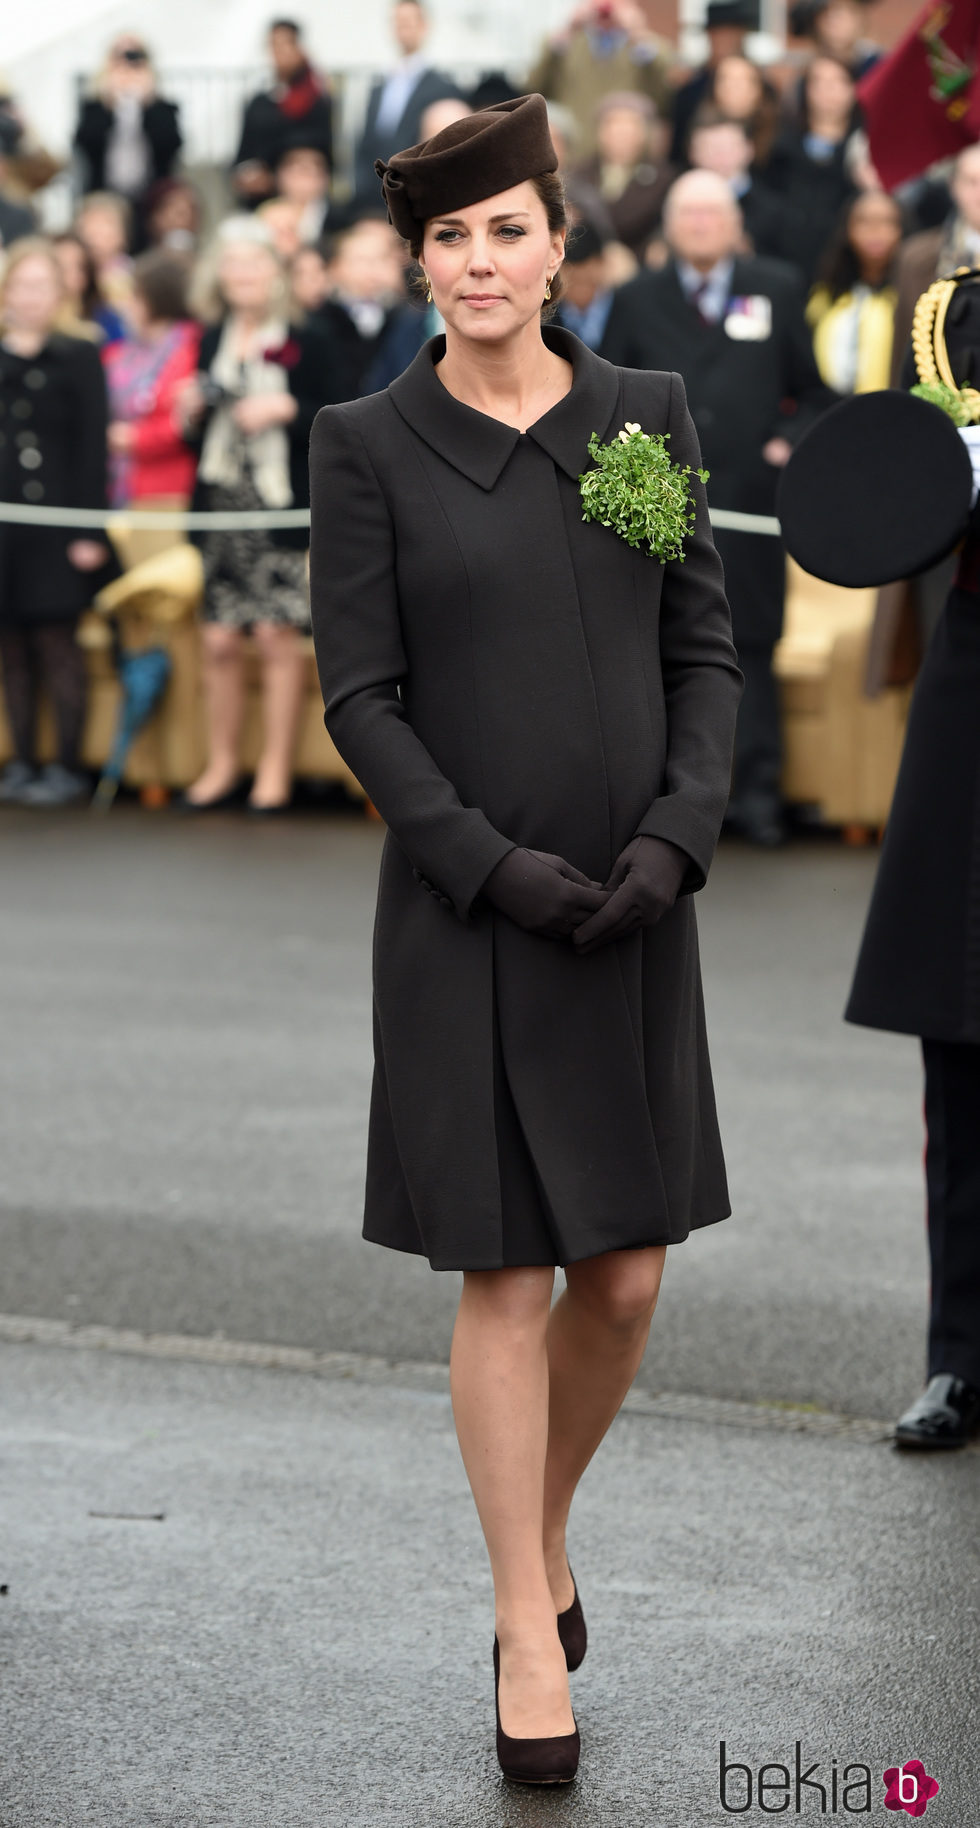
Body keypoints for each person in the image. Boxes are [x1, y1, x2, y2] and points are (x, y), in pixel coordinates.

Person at [307, 94, 742, 1785]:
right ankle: (518, 1616)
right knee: (508, 1271)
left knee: (624, 1275)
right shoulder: (364, 441)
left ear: (560, 244)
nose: (480, 262)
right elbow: (363, 700)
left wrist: (674, 839)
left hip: (636, 909)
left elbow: (702, 650)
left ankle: (542, 1531)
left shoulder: (647, 412)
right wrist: (491, 867)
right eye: (450, 237)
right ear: (421, 263)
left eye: (509, 230)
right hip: (470, 917)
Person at [776, 271, 980, 1449]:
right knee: (957, 1034)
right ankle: (959, 1354)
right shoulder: (947, 312)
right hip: (974, 672)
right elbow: (871, 478)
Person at [600, 169, 832, 845]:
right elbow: (606, 398)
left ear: (736, 223)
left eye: (713, 213)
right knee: (661, 649)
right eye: (689, 213)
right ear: (670, 226)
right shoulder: (636, 298)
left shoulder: (778, 289)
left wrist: (785, 445)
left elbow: (814, 393)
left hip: (751, 506)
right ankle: (671, 802)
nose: (701, 224)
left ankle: (758, 796)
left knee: (750, 648)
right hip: (662, 507)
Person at [177, 221, 339, 812]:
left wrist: (288, 406)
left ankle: (274, 770)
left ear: (275, 270)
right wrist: (191, 410)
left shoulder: (308, 335)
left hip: (279, 503)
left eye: (252, 263)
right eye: (231, 263)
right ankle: (221, 764)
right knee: (218, 639)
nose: (241, 274)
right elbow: (192, 437)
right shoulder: (210, 334)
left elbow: (339, 417)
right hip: (221, 503)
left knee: (275, 636)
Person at [0, 239, 111, 807]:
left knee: (57, 642)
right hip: (7, 529)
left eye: (42, 286)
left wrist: (88, 531)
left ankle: (67, 766)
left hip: (61, 525)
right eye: (21, 285)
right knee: (12, 648)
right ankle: (21, 761)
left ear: (59, 294)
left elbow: (93, 450)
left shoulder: (79, 354)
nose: (30, 296)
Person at [102, 251, 199, 525]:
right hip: (119, 483)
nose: (125, 305)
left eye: (134, 296)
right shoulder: (119, 352)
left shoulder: (190, 349)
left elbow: (185, 422)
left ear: (155, 298)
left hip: (165, 489)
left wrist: (135, 439)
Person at [528, 0, 674, 160]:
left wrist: (639, 34)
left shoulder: (645, 46)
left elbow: (665, 94)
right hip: (575, 151)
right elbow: (534, 87)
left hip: (628, 154)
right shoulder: (566, 42)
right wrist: (568, 30)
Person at [72, 36, 182, 246]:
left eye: (136, 57)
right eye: (119, 57)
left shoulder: (163, 108)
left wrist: (148, 104)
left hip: (151, 199)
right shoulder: (95, 108)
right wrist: (110, 103)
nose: (128, 65)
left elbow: (170, 146)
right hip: (105, 195)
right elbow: (86, 145)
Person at [764, 54, 864, 285]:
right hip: (789, 265)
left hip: (847, 272)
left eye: (838, 81)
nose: (828, 91)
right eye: (818, 82)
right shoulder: (779, 150)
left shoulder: (866, 151)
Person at [890, 143, 980, 385]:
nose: (979, 193)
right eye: (971, 182)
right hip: (935, 393)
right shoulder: (917, 256)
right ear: (953, 187)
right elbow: (902, 344)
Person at [352, 0, 460, 204]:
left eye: (409, 22)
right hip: (375, 198)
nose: (403, 29)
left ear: (424, 26)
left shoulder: (442, 88)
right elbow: (366, 145)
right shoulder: (378, 88)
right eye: (398, 22)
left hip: (417, 196)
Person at [806, 190, 902, 394]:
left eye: (886, 221)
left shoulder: (913, 296)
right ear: (847, 229)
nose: (875, 231)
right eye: (863, 221)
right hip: (834, 408)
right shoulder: (825, 293)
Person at [232, 20, 333, 207]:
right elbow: (243, 152)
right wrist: (247, 174)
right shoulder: (259, 102)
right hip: (261, 198)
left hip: (302, 194)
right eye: (275, 45)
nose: (281, 52)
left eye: (286, 43)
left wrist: (278, 170)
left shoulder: (315, 99)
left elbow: (321, 146)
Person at [573, 91, 676, 257]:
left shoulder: (664, 178)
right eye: (612, 124)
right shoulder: (577, 175)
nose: (621, 132)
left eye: (632, 124)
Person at [312, 217, 407, 398]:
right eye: (360, 260)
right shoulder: (320, 321)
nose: (371, 269)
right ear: (335, 268)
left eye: (380, 259)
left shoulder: (402, 317)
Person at [687, 110, 796, 264]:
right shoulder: (677, 205)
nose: (720, 157)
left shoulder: (775, 209)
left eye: (728, 147)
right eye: (710, 148)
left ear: (749, 150)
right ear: (693, 154)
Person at [668, 0, 757, 165]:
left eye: (729, 34)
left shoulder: (766, 92)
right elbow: (677, 150)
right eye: (717, 34)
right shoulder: (689, 93)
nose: (723, 41)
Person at [51, 232, 127, 346]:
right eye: (61, 267)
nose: (72, 276)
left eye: (81, 267)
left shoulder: (106, 319)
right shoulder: (32, 320)